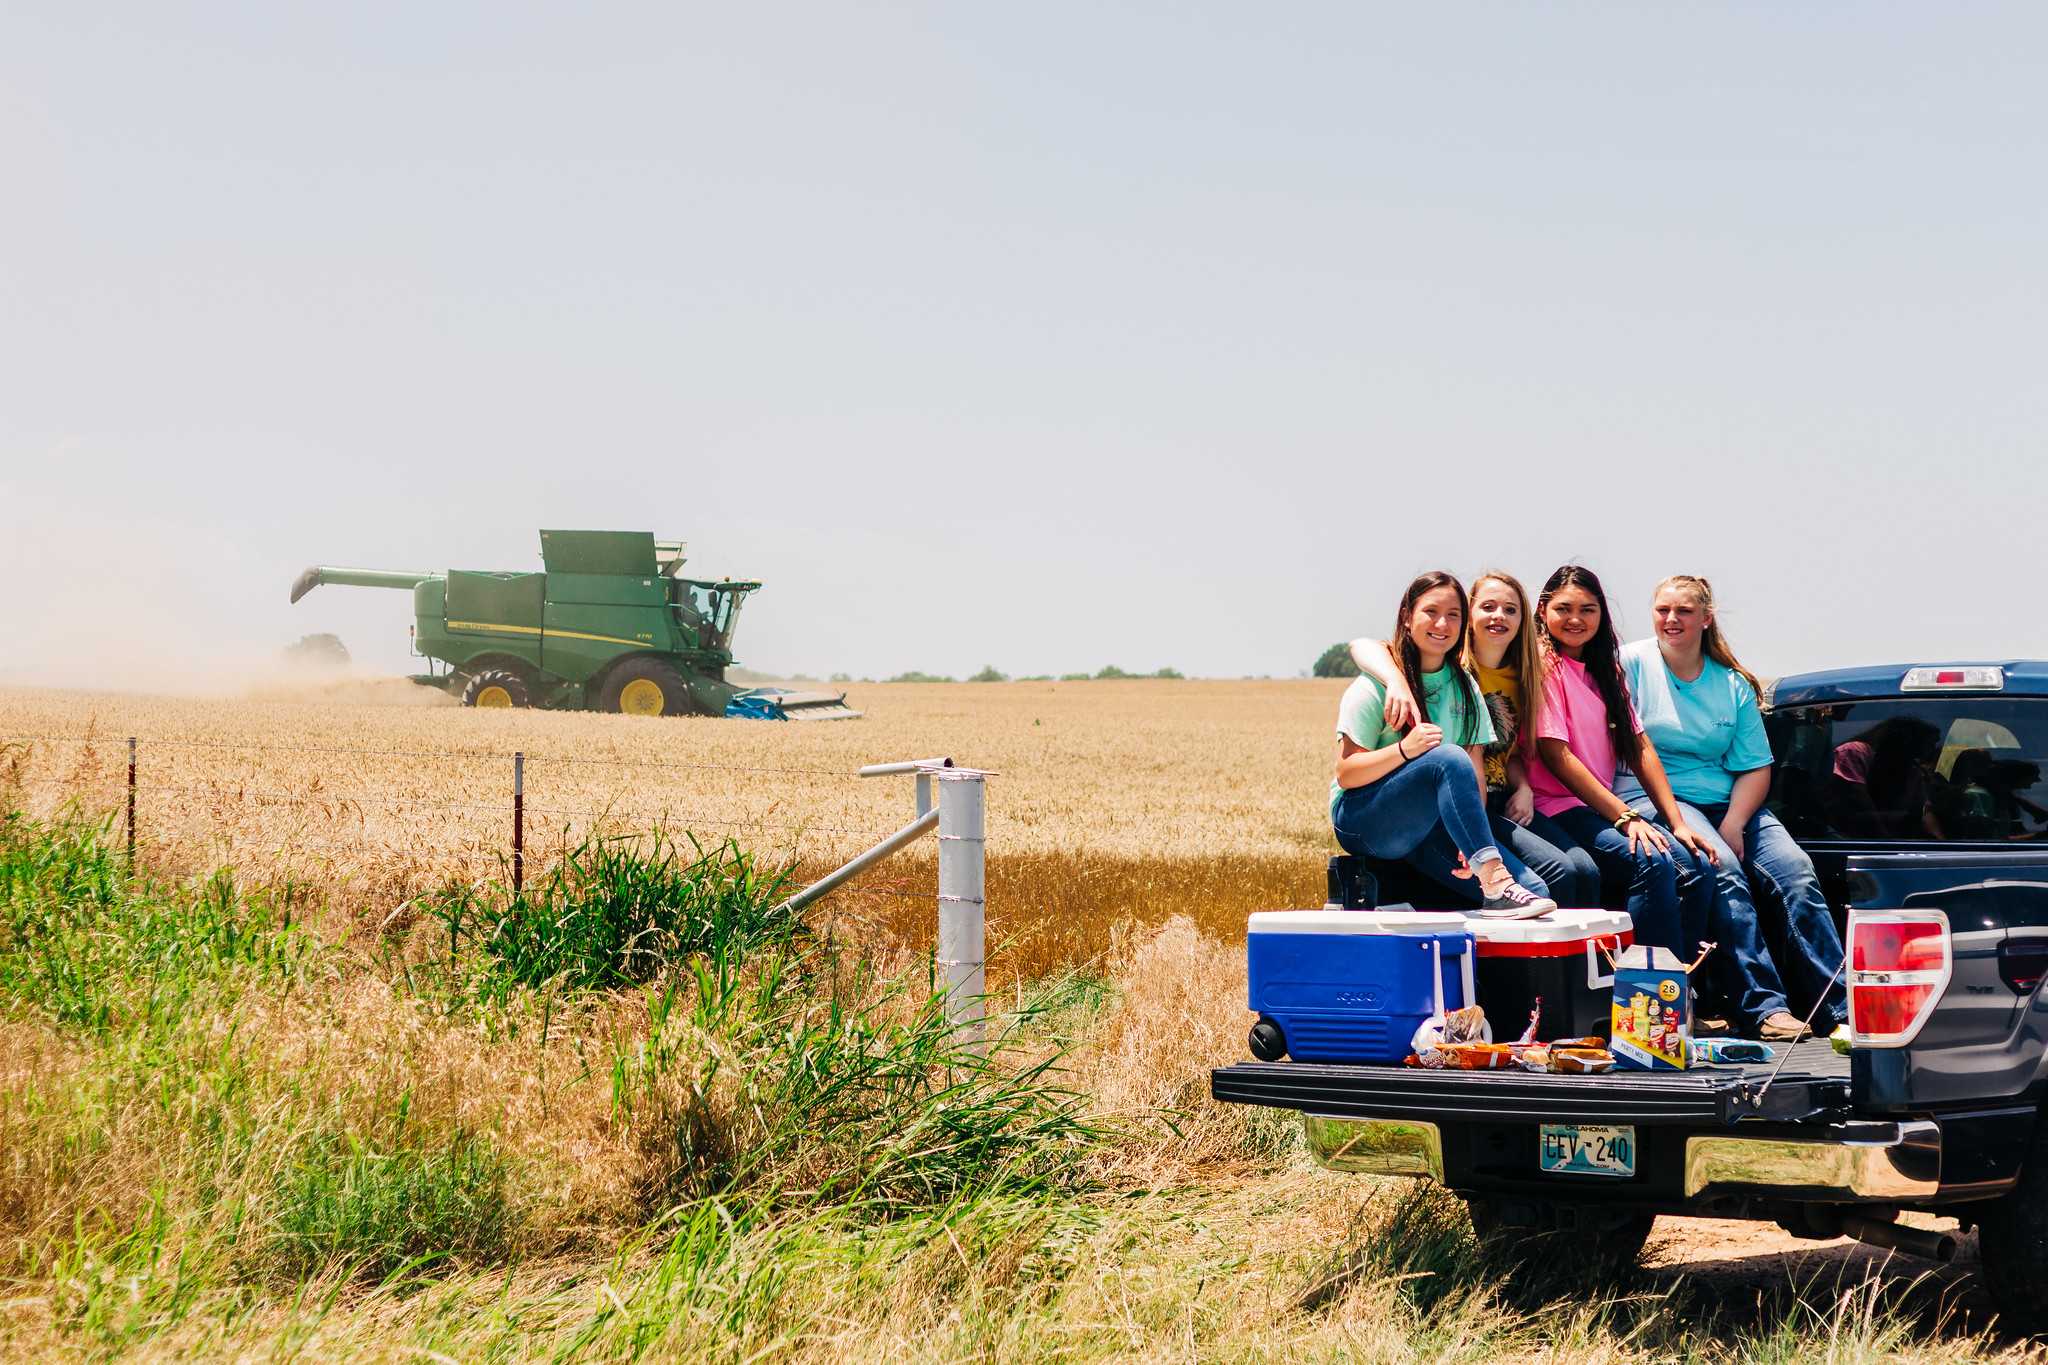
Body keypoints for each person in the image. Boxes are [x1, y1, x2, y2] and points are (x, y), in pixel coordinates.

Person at [1612, 575, 1845, 1041]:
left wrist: (1737, 823)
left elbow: (1756, 767)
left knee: (1797, 871)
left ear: (1705, 617)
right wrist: (1721, 835)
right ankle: (1765, 1009)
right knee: (1723, 870)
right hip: (1663, 797)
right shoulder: (1630, 663)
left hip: (1730, 802)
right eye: (1662, 610)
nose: (1671, 620)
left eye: (1683, 611)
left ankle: (1838, 1010)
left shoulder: (1733, 684)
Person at [1349, 571, 1599, 906]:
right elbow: (1346, 771)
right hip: (1373, 814)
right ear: (1407, 616)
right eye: (1431, 613)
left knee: (1556, 881)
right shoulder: (1383, 680)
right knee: (1449, 758)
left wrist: (1474, 838)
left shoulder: (1474, 687)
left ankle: (1579, 958)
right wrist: (1396, 692)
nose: (1442, 623)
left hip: (1461, 811)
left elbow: (1486, 765)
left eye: (1452, 615)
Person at [1525, 565, 1714, 958]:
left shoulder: (1606, 667)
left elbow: (1639, 746)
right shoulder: (1542, 663)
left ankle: (1682, 985)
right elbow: (1555, 755)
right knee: (1651, 861)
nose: (1576, 619)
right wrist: (1625, 817)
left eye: (1588, 609)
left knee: (1699, 866)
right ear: (1542, 610)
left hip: (1598, 807)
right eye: (1564, 608)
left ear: (1602, 614)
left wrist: (1676, 822)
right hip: (1556, 806)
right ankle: (1644, 989)